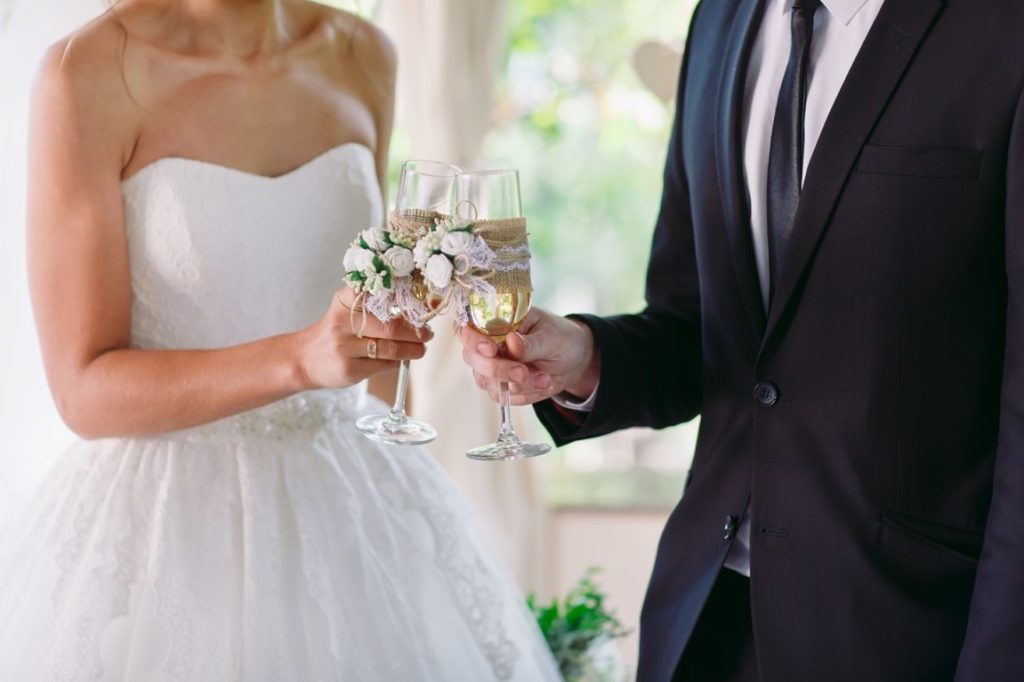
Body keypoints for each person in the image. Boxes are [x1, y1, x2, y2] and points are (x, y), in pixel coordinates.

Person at [460, 0, 1024, 679]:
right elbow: (695, 327)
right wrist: (583, 358)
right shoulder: (720, 21)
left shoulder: (1000, 28)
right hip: (702, 623)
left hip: (905, 630)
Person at [0, 1, 562, 680]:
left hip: (350, 505)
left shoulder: (364, 54)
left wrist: (440, 338)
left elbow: (376, 288)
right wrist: (301, 359)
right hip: (164, 529)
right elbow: (82, 390)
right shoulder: (85, 70)